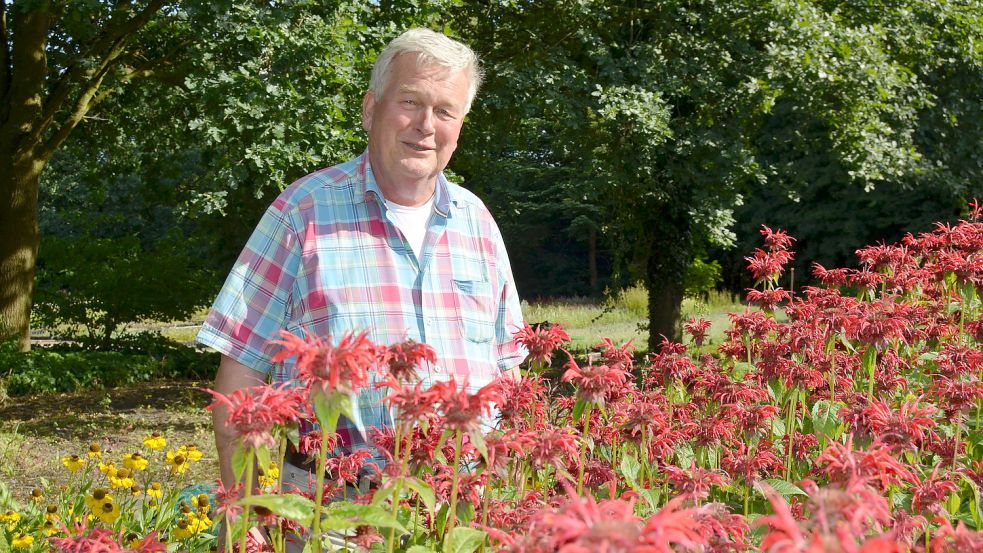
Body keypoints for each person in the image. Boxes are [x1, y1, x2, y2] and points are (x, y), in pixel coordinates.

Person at [197, 28, 527, 550]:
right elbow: (240, 370)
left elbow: (509, 373)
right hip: (332, 515)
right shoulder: (303, 212)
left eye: (445, 111)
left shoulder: (477, 222)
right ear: (371, 109)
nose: (425, 126)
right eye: (410, 102)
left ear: (459, 127)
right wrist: (244, 510)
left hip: (462, 514)